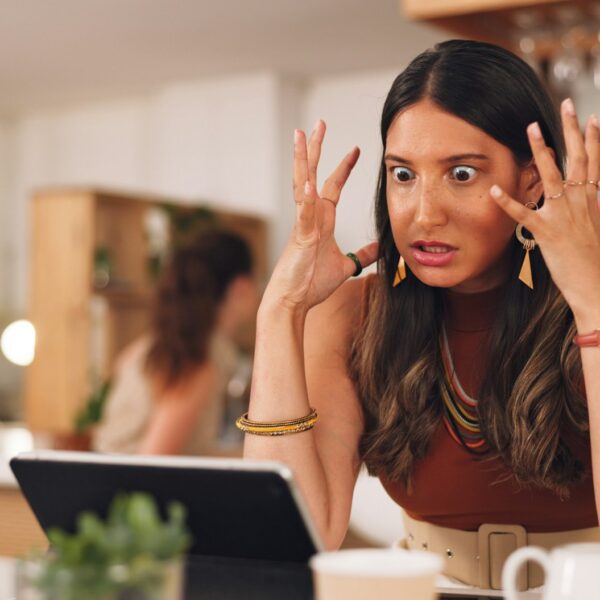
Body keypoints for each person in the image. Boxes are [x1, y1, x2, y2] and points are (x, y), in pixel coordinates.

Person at [241, 39, 600, 590]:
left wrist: (590, 298)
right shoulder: (354, 317)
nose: (424, 213)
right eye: (403, 175)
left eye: (461, 174)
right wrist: (281, 310)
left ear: (533, 179)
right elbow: (289, 537)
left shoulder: (589, 307)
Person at [94, 229, 258, 456]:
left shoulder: (148, 347)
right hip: (131, 488)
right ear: (242, 286)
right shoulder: (197, 365)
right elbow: (154, 460)